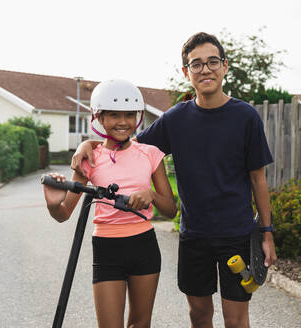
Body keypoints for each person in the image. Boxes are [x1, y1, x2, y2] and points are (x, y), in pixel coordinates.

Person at [71, 32, 277, 328]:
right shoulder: (175, 119)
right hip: (194, 236)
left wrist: (266, 234)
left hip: (237, 235)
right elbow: (127, 145)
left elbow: (258, 179)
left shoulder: (245, 116)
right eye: (196, 64)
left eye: (212, 62)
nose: (205, 69)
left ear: (225, 66)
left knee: (236, 320)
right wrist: (88, 144)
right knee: (199, 315)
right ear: (186, 72)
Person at [43, 79, 177, 328]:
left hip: (144, 247)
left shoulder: (150, 154)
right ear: (99, 118)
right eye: (114, 114)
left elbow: (170, 210)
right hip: (107, 250)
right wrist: (53, 204)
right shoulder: (89, 158)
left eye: (129, 114)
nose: (123, 122)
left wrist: (152, 196)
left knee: (140, 325)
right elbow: (63, 214)